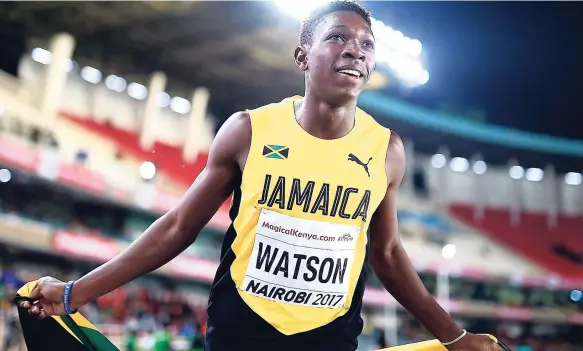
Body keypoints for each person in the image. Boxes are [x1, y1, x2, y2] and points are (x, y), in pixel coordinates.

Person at [19, 1, 503, 351]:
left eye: (366, 44)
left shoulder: (387, 151)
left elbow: (389, 254)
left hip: (330, 335)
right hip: (241, 328)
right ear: (302, 55)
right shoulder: (249, 130)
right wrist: (73, 293)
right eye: (337, 36)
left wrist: (455, 338)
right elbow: (177, 227)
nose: (354, 49)